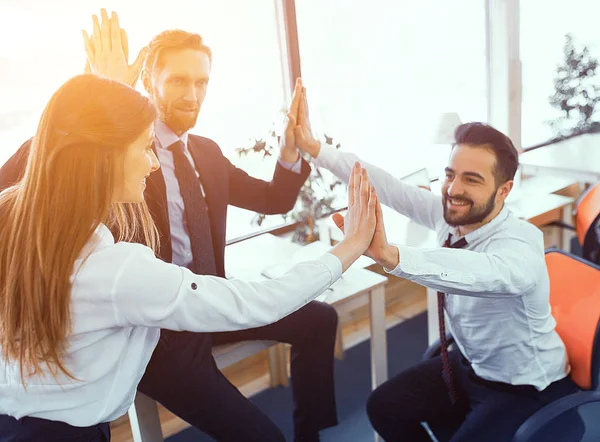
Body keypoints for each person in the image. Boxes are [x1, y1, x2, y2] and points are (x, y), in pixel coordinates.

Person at [0, 10, 338, 442]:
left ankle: (312, 433)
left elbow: (275, 199)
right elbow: (36, 179)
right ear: (147, 82)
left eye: (201, 82)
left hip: (208, 300)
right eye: (178, 80)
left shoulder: (207, 153)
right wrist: (98, 95)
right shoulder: (116, 163)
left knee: (319, 319)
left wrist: (292, 152)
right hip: (157, 331)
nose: (192, 94)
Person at [293, 92, 579, 441]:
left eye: (472, 179)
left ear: (504, 191)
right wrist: (316, 148)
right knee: (383, 406)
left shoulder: (521, 245)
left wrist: (392, 256)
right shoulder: (452, 216)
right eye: (449, 175)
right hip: (469, 367)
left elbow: (476, 271)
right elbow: (390, 188)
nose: (453, 189)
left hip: (523, 388)